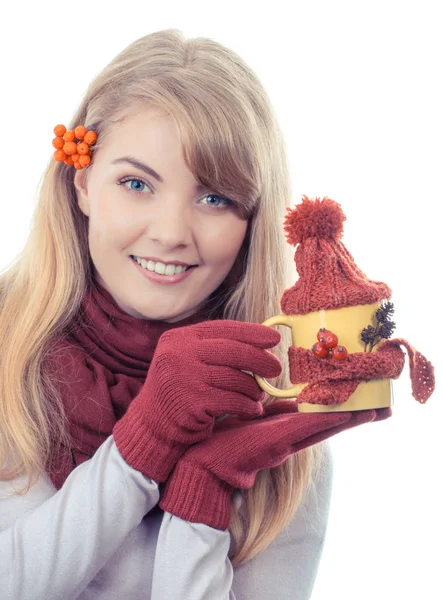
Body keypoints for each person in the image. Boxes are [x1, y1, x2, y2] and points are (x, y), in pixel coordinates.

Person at [0, 29, 389, 599]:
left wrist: (204, 492)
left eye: (215, 199)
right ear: (82, 183)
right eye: (136, 184)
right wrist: (144, 442)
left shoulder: (283, 432)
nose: (171, 233)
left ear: (252, 222)